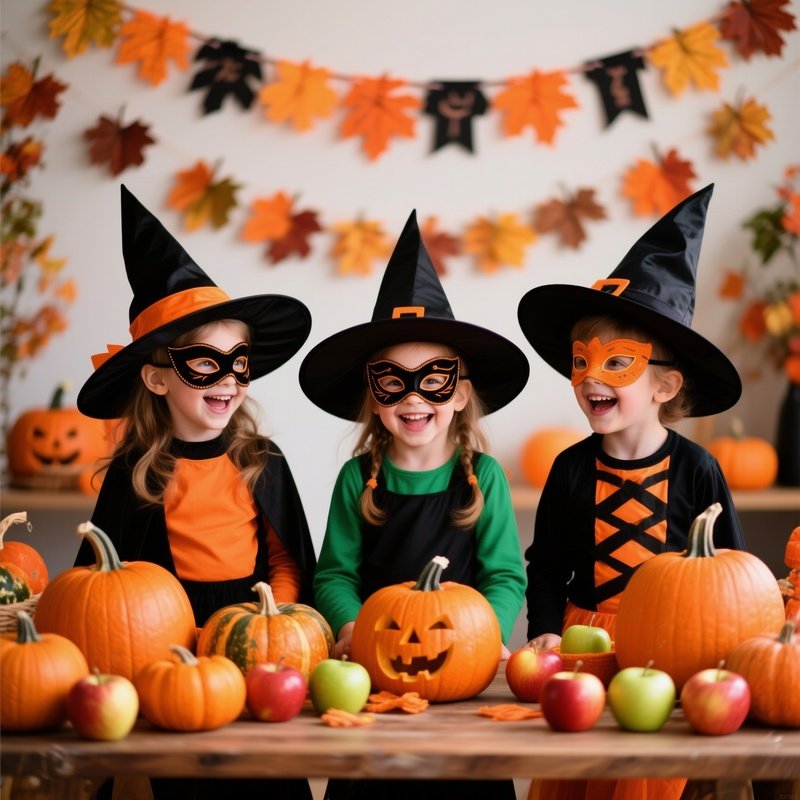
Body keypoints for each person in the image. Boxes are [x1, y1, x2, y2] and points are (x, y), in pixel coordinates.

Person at [75, 185, 316, 800]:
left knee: (263, 781)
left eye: (239, 361)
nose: (229, 379)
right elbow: (96, 583)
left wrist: (271, 622)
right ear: (157, 377)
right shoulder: (135, 472)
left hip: (254, 642)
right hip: (166, 651)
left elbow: (288, 558)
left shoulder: (260, 462)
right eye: (205, 364)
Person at [517, 184, 745, 800]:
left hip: (670, 647)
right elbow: (546, 565)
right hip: (582, 645)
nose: (591, 376)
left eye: (617, 362)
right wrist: (543, 630)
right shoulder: (568, 469)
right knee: (577, 776)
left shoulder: (699, 469)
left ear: (666, 384)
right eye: (580, 361)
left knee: (649, 776)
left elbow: (734, 574)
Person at [299, 210, 529, 800]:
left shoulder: (486, 478)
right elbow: (334, 572)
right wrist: (351, 626)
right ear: (375, 400)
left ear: (460, 394)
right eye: (392, 381)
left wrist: (489, 635)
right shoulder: (359, 480)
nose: (412, 395)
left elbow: (505, 574)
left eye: (434, 379)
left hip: (465, 670)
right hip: (379, 671)